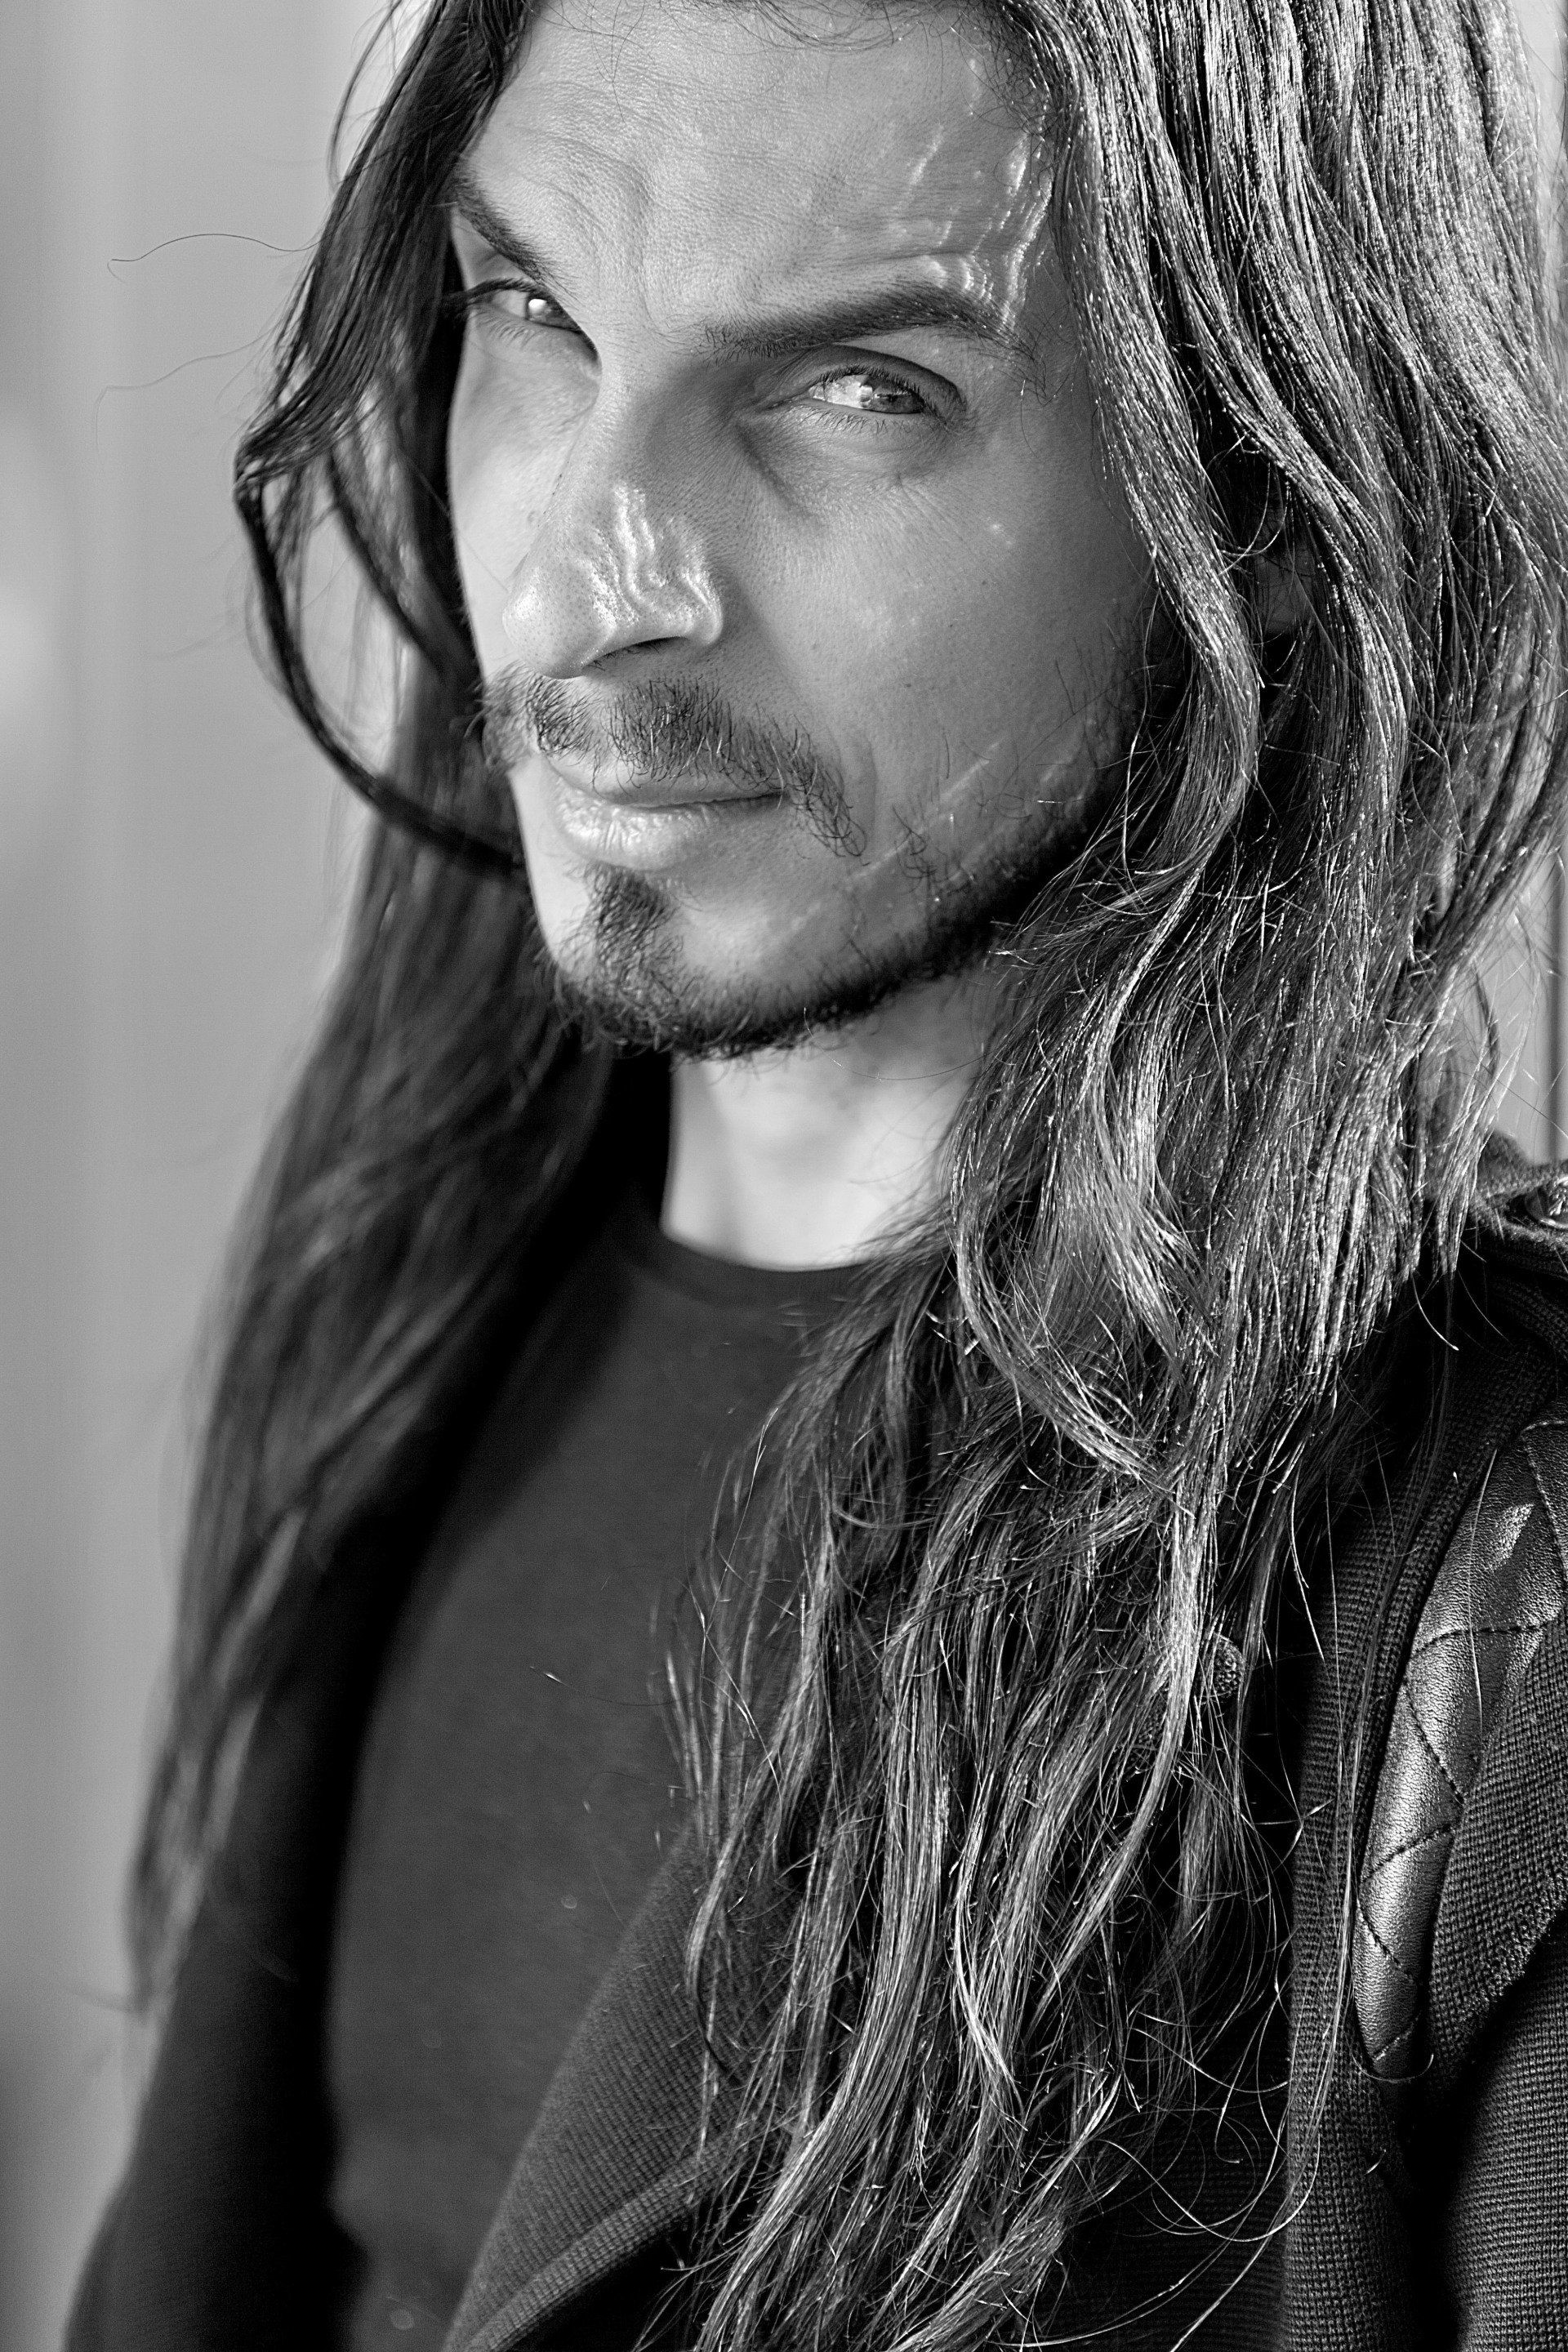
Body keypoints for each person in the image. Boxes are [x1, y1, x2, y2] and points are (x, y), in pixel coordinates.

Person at [68, 0, 1568, 2344]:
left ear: (1274, 509)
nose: (588, 579)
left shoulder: (1495, 1608)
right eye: (536, 312)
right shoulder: (429, 1281)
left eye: (861, 390)